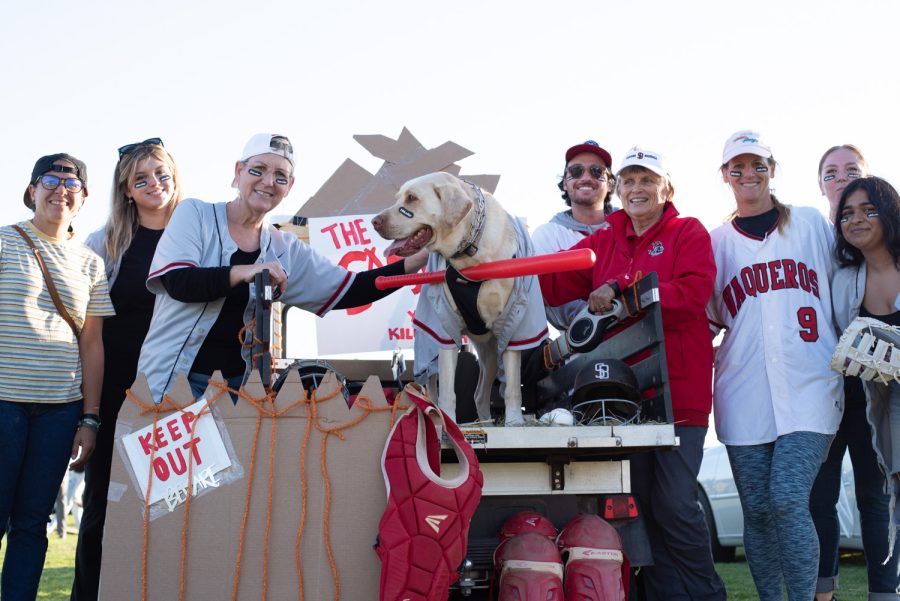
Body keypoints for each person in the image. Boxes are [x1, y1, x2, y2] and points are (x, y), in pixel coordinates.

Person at [540, 147, 725, 600]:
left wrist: (623, 291)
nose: (637, 188)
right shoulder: (603, 241)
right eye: (629, 180)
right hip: (624, 401)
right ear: (618, 190)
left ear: (666, 188)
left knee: (677, 504)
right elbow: (548, 280)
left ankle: (708, 593)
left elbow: (693, 293)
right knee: (641, 507)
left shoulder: (688, 231)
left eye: (647, 180)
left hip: (679, 397)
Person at [137, 134, 428, 403]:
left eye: (280, 176)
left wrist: (418, 260)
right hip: (172, 385)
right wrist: (244, 271)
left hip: (238, 393)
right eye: (257, 170)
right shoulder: (195, 214)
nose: (268, 181)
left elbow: (351, 290)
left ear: (289, 187)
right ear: (238, 172)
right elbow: (178, 282)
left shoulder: (283, 247)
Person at [707, 130, 842, 600]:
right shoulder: (716, 242)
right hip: (742, 394)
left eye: (758, 165)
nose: (749, 174)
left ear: (772, 169)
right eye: (738, 167)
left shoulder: (808, 224)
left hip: (813, 386)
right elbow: (702, 321)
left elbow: (848, 281)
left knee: (787, 499)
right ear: (725, 175)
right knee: (758, 511)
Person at [71, 139, 183, 601]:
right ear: (127, 191)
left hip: (180, 390)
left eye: (161, 174)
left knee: (175, 503)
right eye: (141, 179)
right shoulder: (105, 242)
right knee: (103, 504)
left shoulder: (200, 233)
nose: (154, 184)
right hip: (116, 389)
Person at [0, 154, 114, 599]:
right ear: (32, 190)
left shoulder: (90, 263)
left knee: (32, 523)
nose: (60, 189)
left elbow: (92, 344)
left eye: (72, 183)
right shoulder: (6, 242)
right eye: (50, 179)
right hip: (4, 400)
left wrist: (90, 418)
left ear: (83, 198)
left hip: (59, 410)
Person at [827, 175, 900, 601]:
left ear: (889, 212)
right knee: (873, 501)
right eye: (848, 213)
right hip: (858, 402)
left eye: (869, 210)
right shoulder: (844, 279)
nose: (856, 220)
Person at [532, 140, 616, 330]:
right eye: (576, 171)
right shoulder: (547, 235)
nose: (586, 177)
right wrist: (600, 317)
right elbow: (542, 297)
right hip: (580, 347)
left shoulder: (631, 226)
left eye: (596, 171)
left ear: (610, 184)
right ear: (564, 182)